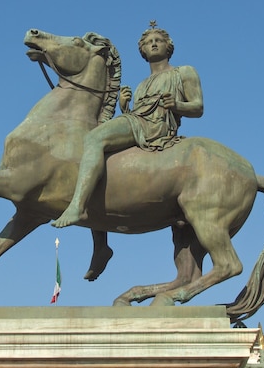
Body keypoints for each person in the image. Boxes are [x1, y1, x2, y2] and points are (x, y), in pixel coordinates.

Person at [52, 21, 204, 281]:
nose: (153, 43)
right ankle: (100, 245)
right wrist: (125, 107)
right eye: (147, 42)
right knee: (104, 166)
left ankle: (77, 206)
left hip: (156, 128)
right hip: (138, 123)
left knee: (94, 139)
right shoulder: (144, 83)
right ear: (142, 51)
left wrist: (177, 104)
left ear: (169, 46)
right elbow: (135, 116)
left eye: (158, 39)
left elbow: (198, 107)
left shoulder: (184, 72)